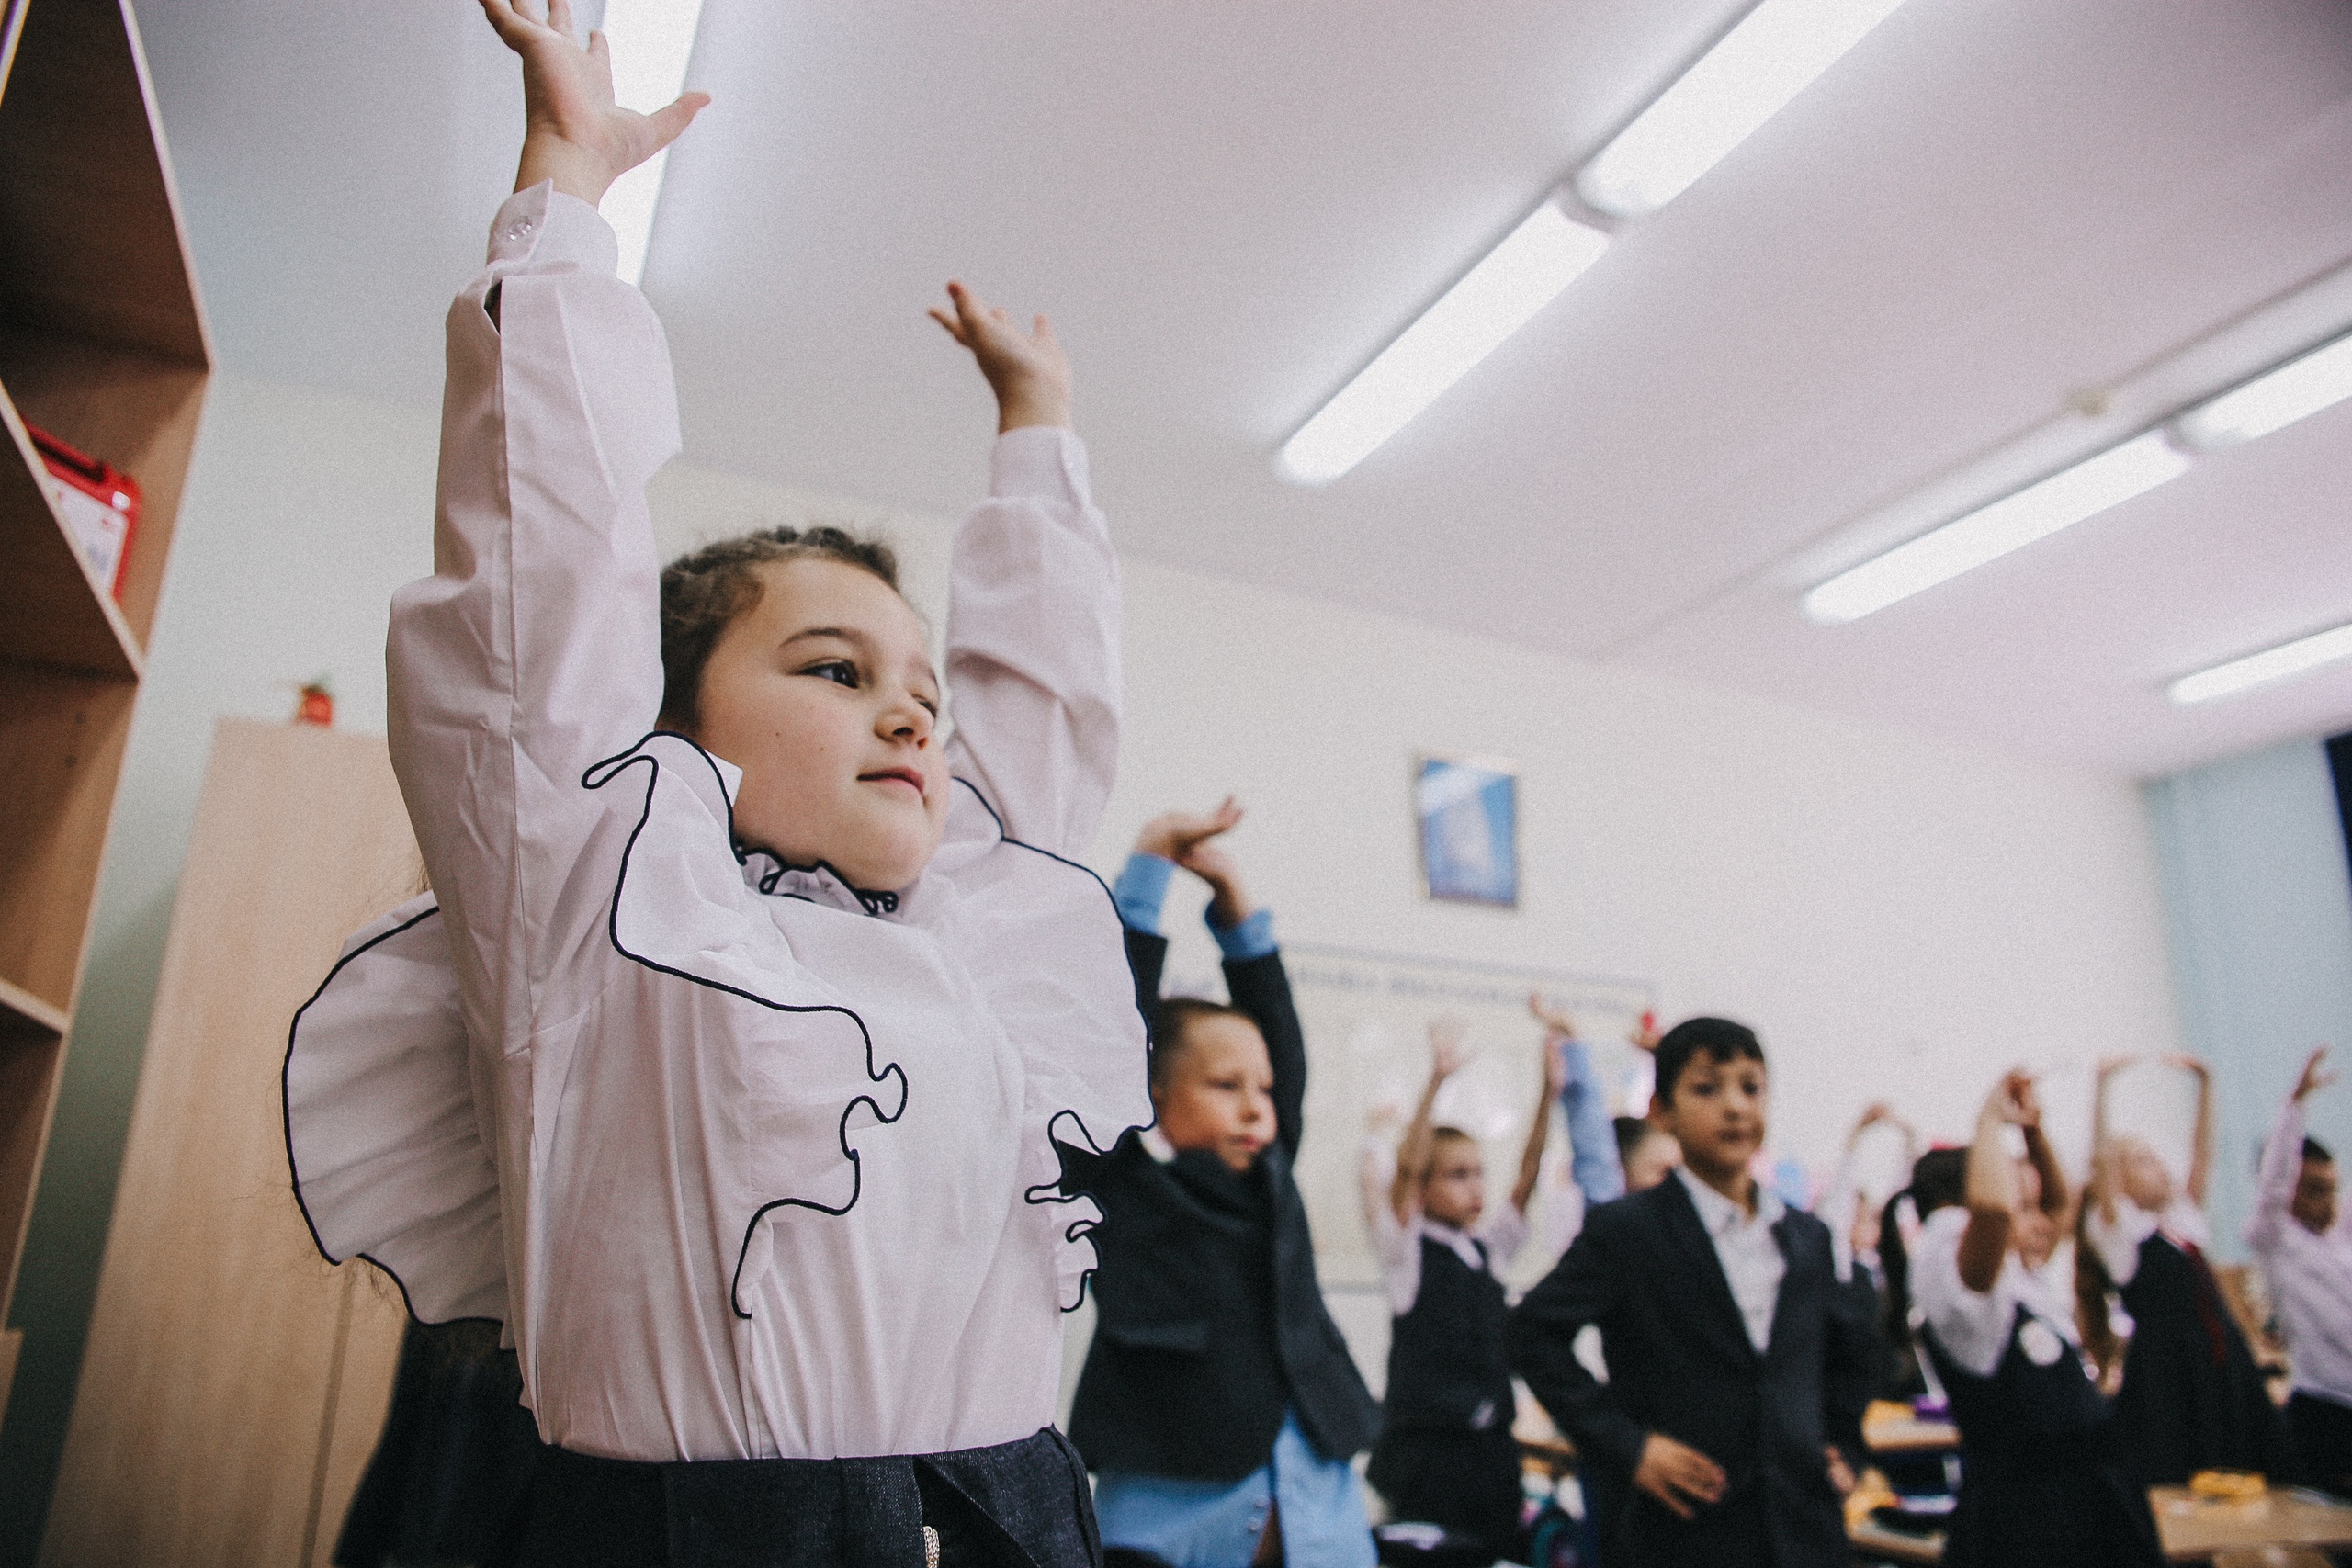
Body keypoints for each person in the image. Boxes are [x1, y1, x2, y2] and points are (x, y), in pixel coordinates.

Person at [282, 5, 1152, 1562]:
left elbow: (1043, 731)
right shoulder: (598, 902)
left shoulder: (966, 928)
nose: (909, 718)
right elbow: (533, 600)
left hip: (1013, 1517)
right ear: (667, 727)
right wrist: (564, 208)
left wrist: (1040, 440)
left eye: (923, 693)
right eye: (833, 669)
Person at [1061, 801, 1379, 1568]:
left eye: (1262, 1089)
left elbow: (1282, 1047)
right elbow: (1104, 1029)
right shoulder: (1123, 1183)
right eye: (1225, 1083)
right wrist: (1146, 876)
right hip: (1177, 1477)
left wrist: (1238, 914)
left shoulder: (1271, 1171)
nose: (1255, 1106)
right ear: (1154, 1096)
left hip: (1315, 1477)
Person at [1506, 1018, 1875, 1568]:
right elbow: (1531, 1333)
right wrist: (1629, 1445)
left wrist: (1845, 1445)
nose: (1734, 1106)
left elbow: (1849, 1354)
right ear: (1662, 1112)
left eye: (1750, 1087)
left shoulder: (1806, 1237)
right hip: (1683, 1529)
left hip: (1802, 1531)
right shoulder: (1629, 1230)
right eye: (1706, 1088)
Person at [1908, 1071, 2162, 1568]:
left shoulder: (2018, 1281)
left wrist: (2032, 1132)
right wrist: (1988, 1117)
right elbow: (1993, 1210)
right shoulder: (1960, 1280)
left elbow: (2059, 1205)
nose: (2041, 1221)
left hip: (2093, 1499)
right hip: (2032, 1519)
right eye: (2024, 1205)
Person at [1357, 1020, 1560, 1559]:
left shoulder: (1487, 1250)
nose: (1475, 1187)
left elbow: (1528, 1173)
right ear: (1424, 1189)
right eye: (1457, 1175)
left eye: (1477, 1173)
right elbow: (1406, 1167)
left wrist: (1549, 1091)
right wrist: (1436, 1081)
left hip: (1490, 1457)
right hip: (1428, 1458)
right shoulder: (1409, 1252)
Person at [2081, 1055, 2293, 1484]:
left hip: (2219, 1353)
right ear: (2119, 1180)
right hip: (2167, 1367)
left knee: (2246, 1459)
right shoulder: (2121, 1233)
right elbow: (2100, 1160)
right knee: (2183, 1466)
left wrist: (2206, 1084)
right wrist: (2101, 1088)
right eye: (2142, 1161)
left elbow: (2203, 1152)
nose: (2159, 1166)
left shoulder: (2182, 1222)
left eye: (2156, 1157)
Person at [2246, 1046, 2352, 1495]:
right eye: (2312, 1190)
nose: (2325, 1202)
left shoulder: (2340, 1234)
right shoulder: (2276, 1240)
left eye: (2331, 1190)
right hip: (2323, 1407)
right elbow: (2272, 1183)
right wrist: (2294, 1107)